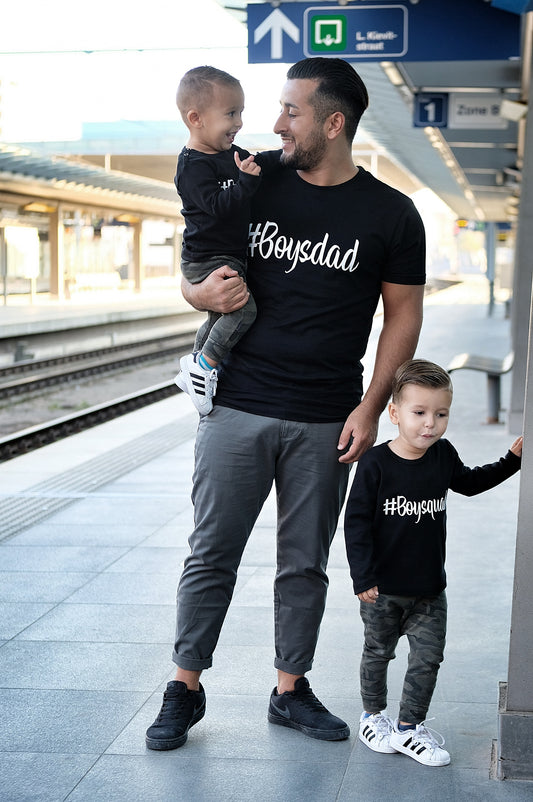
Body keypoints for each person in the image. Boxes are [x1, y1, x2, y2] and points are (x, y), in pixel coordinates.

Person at [145, 56, 426, 752]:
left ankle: (289, 689)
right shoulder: (252, 177)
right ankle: (184, 686)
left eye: (291, 111)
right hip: (236, 402)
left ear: (333, 123)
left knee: (304, 564)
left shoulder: (392, 214)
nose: (274, 124)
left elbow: (403, 317)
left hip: (327, 414)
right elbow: (195, 250)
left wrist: (371, 408)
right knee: (211, 553)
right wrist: (196, 293)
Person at [344, 358, 522, 767]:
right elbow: (356, 524)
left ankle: (409, 728)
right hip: (382, 590)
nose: (430, 424)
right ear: (394, 413)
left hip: (428, 589)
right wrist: (362, 577)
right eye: (420, 413)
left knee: (427, 659)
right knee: (378, 653)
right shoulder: (375, 464)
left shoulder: (442, 455)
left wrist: (510, 461)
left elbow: (470, 482)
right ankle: (373, 717)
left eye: (441, 414)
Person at [174, 65, 280, 415]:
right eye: (231, 114)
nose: (239, 123)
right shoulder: (192, 166)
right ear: (196, 118)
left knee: (219, 317)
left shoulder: (227, 153)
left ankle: (194, 364)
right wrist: (246, 183)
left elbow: (258, 163)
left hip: (222, 255)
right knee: (244, 310)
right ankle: (204, 366)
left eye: (241, 113)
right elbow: (218, 207)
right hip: (206, 257)